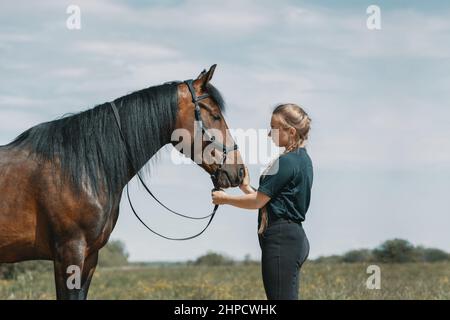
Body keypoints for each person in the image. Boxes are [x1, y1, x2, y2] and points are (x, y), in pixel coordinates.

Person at [212, 103, 313, 300]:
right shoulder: (301, 159)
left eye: (274, 128)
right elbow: (269, 201)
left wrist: (225, 199)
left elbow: (258, 202)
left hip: (281, 240)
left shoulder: (287, 161)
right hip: (290, 238)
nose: (269, 134)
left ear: (291, 131)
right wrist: (245, 188)